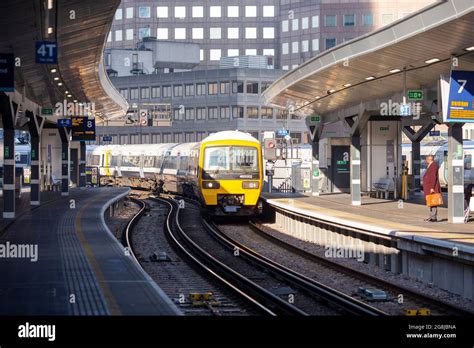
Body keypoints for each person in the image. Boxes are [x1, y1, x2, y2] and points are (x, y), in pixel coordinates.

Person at [423, 155, 441, 222]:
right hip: (430, 187)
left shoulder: (433, 166)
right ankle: (431, 217)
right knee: (431, 202)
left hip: (432, 188)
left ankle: (433, 218)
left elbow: (433, 177)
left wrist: (432, 187)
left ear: (429, 159)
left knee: (433, 202)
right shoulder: (431, 165)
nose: (425, 160)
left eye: (426, 159)